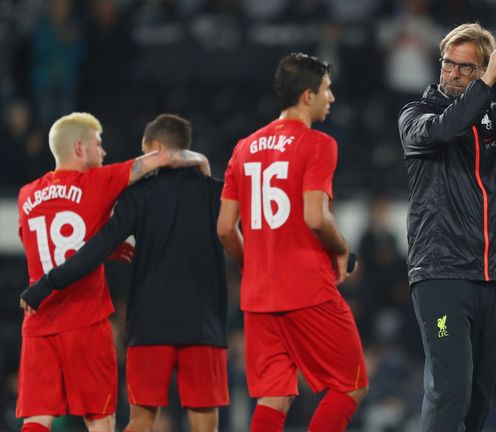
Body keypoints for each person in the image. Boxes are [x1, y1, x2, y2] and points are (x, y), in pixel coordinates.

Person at [21, 114, 228, 432]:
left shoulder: (26, 195)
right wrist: (200, 158)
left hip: (39, 317)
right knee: (101, 420)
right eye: (98, 145)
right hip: (87, 318)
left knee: (38, 417)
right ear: (79, 148)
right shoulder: (99, 181)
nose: (103, 153)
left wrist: (110, 250)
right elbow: (162, 157)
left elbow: (62, 242)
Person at [398, 15, 496, 432]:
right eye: (449, 62)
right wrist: (484, 84)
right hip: (441, 273)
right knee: (451, 390)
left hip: (495, 274)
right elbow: (448, 128)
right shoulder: (416, 115)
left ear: (486, 66)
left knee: (481, 395)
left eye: (466, 66)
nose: (453, 72)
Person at [216, 53, 368, 432]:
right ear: (307, 96)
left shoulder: (243, 147)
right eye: (326, 91)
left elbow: (223, 229)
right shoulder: (318, 144)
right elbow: (316, 217)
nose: (331, 99)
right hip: (306, 288)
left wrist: (250, 268)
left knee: (274, 396)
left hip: (258, 295)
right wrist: (341, 249)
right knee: (350, 384)